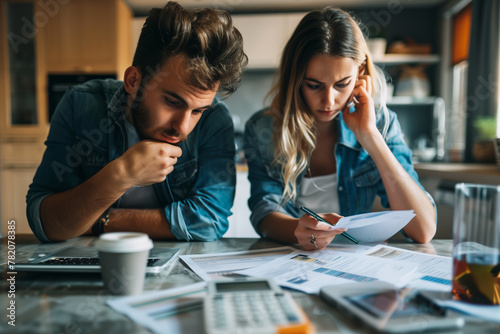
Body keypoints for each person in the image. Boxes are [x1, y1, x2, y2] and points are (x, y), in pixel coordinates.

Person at [26, 1, 248, 242]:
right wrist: (121, 175)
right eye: (173, 102)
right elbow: (46, 222)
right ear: (133, 81)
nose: (182, 128)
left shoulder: (215, 121)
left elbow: (209, 221)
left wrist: (100, 222)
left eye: (197, 111)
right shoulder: (80, 105)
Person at [244, 7, 436, 250]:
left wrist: (369, 136)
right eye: (314, 85)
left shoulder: (382, 124)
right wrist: (298, 230)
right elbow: (264, 214)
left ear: (360, 75)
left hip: (354, 264)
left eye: (342, 84)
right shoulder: (263, 129)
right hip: (290, 259)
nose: (328, 101)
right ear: (295, 80)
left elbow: (423, 230)